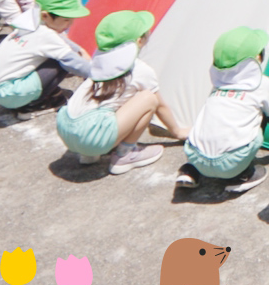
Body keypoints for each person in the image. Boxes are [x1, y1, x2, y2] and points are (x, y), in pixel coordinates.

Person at [57, 16, 189, 173]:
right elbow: (160, 106)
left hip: (65, 127)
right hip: (92, 137)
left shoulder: (98, 63)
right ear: (139, 41)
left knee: (110, 102)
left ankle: (88, 155)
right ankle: (125, 155)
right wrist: (177, 131)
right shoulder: (140, 70)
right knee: (149, 98)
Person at [178, 27, 269, 194]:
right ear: (258, 57)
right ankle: (243, 175)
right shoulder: (263, 84)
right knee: (258, 124)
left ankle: (189, 171)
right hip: (229, 164)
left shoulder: (218, 83)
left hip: (196, 157)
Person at [0, 0, 93, 119]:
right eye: (66, 20)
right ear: (46, 16)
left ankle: (31, 96)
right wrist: (100, 75)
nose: (69, 25)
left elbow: (60, 40)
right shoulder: (45, 34)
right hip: (12, 95)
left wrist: (80, 49)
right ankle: (33, 104)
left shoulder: (29, 22)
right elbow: (73, 62)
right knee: (61, 61)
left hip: (1, 90)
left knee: (61, 53)